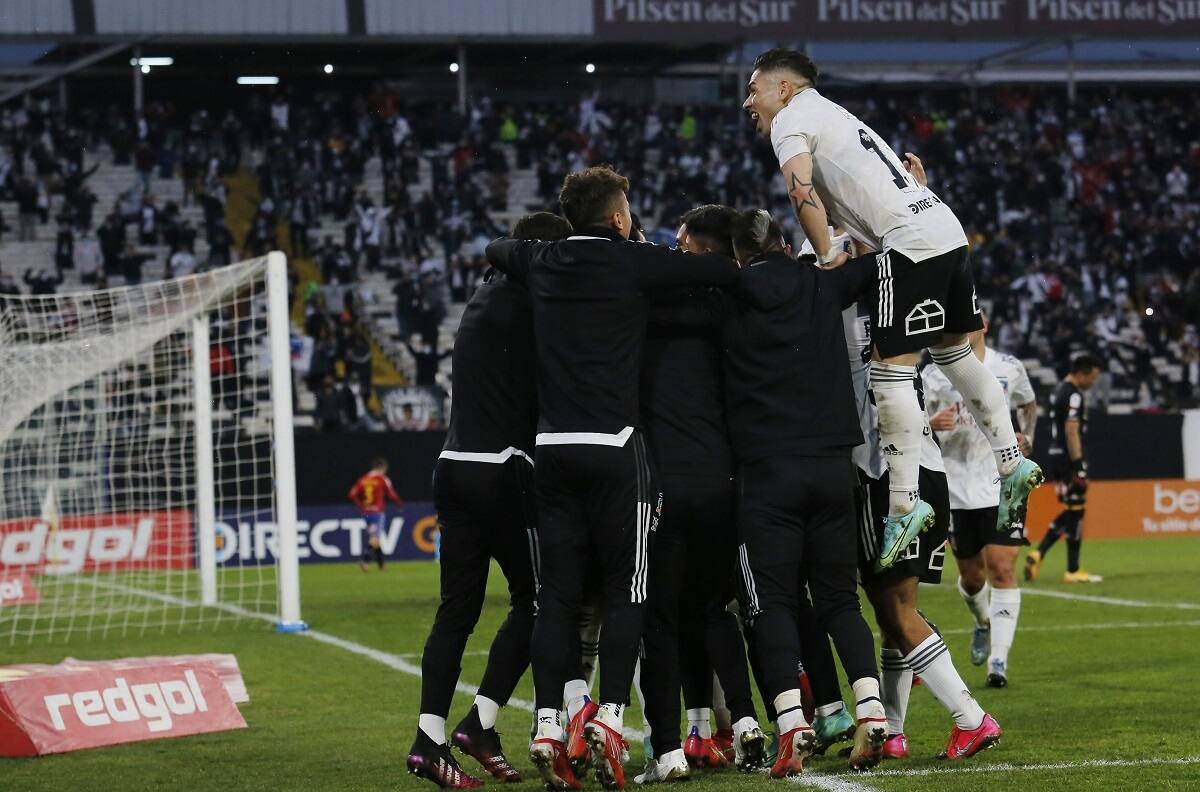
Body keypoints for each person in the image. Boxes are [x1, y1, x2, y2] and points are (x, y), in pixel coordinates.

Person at [485, 166, 739, 791]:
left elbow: (496, 248)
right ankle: (611, 719)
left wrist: (529, 254)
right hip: (615, 447)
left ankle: (547, 723)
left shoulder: (543, 260)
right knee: (629, 589)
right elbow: (712, 270)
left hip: (552, 449)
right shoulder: (633, 262)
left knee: (560, 599)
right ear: (619, 217)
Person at [741, 47, 1042, 572]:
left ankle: (905, 504)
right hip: (942, 226)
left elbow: (800, 189)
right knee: (953, 355)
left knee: (889, 369)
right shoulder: (833, 113)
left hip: (908, 242)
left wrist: (830, 255)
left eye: (754, 89)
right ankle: (1011, 463)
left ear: (782, 88)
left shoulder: (791, 119)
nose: (749, 101)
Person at [406, 211, 572, 790]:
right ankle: (481, 722)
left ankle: (428, 741)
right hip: (504, 469)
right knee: (543, 600)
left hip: (453, 466)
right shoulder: (532, 304)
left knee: (457, 611)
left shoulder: (483, 299)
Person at [715, 211, 885, 777]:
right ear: (786, 245)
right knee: (840, 600)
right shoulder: (819, 283)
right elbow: (873, 265)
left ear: (740, 255)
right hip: (833, 466)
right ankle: (872, 710)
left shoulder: (731, 291)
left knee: (775, 604)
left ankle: (792, 723)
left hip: (767, 472)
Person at [635, 205, 765, 784]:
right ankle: (743, 723)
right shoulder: (726, 309)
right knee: (715, 608)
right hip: (721, 480)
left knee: (659, 620)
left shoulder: (646, 310)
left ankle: (669, 751)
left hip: (662, 483)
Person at [925, 322, 1038, 690]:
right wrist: (930, 422)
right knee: (973, 578)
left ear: (983, 324)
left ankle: (998, 660)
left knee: (1003, 568)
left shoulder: (1008, 367)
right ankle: (982, 620)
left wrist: (1027, 437)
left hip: (1002, 482)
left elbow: (1029, 403)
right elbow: (907, 423)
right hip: (957, 487)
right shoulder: (933, 371)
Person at [1027, 354, 1104, 584]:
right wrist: (1079, 466)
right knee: (1076, 511)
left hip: (1055, 457)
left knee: (1073, 510)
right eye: (1092, 378)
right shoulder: (1073, 395)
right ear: (1081, 373)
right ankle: (1072, 569)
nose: (1093, 383)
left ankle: (1040, 554)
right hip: (1068, 460)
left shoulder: (1058, 390)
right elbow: (1072, 431)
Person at [347, 457, 403, 572]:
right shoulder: (382, 479)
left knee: (375, 538)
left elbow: (352, 494)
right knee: (374, 538)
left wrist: (361, 506)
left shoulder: (363, 479)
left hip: (366, 513)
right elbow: (392, 495)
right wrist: (399, 504)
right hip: (377, 513)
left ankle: (381, 565)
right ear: (383, 468)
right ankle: (365, 560)